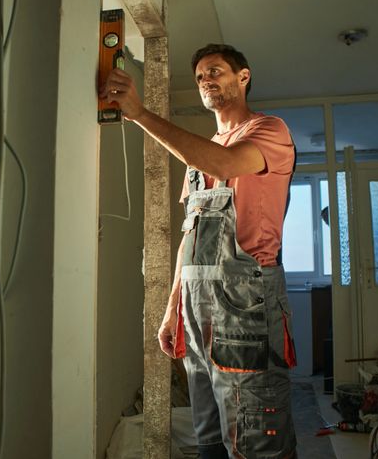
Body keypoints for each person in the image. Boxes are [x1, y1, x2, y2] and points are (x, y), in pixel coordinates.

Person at [100, 43, 297, 459]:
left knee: (254, 439)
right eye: (201, 77)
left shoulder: (269, 130)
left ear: (243, 77)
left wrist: (139, 113)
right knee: (209, 438)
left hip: (245, 302)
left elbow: (224, 163)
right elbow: (191, 232)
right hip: (196, 307)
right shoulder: (200, 150)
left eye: (216, 71)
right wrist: (173, 306)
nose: (206, 80)